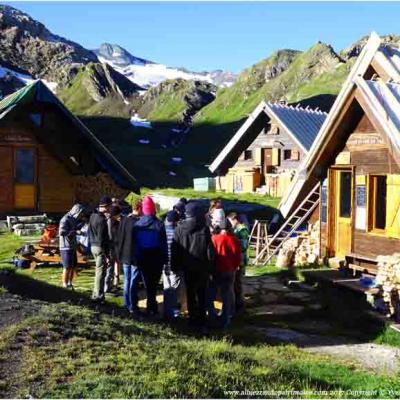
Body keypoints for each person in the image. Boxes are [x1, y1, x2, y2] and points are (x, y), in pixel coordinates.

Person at [171, 202, 215, 331]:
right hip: (202, 267)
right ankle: (202, 321)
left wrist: (174, 266)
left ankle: (192, 319)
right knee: (202, 293)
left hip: (187, 266)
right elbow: (210, 251)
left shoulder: (179, 228)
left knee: (190, 292)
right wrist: (211, 267)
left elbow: (175, 249)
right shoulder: (204, 228)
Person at [134, 196, 168, 316]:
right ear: (153, 209)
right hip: (157, 257)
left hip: (143, 258)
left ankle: (150, 306)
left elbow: (135, 244)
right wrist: (165, 259)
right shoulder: (159, 224)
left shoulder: (137, 225)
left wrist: (136, 258)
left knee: (147, 283)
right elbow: (164, 244)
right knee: (154, 283)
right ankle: (153, 306)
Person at [211, 221, 242, 329]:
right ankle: (226, 318)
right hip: (230, 270)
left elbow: (211, 255)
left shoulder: (214, 238)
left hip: (216, 270)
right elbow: (238, 257)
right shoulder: (235, 240)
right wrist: (234, 267)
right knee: (227, 294)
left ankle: (212, 316)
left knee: (211, 293)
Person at [118, 200, 143, 316]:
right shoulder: (138, 223)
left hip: (124, 255)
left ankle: (126, 303)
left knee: (127, 280)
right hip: (134, 256)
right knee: (133, 281)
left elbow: (120, 237)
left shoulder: (124, 220)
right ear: (138, 209)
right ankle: (132, 305)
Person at [89, 196, 112, 302]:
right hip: (100, 247)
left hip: (93, 246)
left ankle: (95, 293)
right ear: (106, 207)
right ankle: (98, 296)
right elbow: (103, 239)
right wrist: (107, 255)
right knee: (101, 273)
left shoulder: (93, 216)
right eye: (110, 206)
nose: (111, 208)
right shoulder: (101, 220)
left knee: (98, 271)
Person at [227, 212, 250, 312]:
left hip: (240, 259)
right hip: (234, 259)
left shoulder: (242, 229)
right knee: (234, 282)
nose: (229, 223)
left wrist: (234, 242)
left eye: (230, 221)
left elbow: (244, 246)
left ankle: (240, 305)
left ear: (234, 219)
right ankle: (235, 303)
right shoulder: (234, 229)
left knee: (238, 283)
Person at [59, 204, 85, 289]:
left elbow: (75, 227)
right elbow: (62, 232)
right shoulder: (65, 219)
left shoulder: (73, 218)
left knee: (73, 266)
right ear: (76, 211)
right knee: (67, 267)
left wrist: (82, 224)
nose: (80, 215)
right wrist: (75, 232)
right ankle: (64, 284)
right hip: (65, 246)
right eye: (80, 213)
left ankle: (70, 283)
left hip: (72, 246)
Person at [163, 210, 182, 320]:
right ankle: (174, 313)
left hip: (165, 265)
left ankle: (166, 312)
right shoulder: (177, 232)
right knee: (175, 290)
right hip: (175, 265)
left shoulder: (163, 231)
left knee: (167, 288)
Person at [105, 205, 121, 293]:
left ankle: (111, 284)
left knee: (111, 266)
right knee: (109, 267)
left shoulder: (114, 222)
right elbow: (110, 236)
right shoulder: (109, 222)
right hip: (110, 247)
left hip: (113, 247)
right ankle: (107, 286)